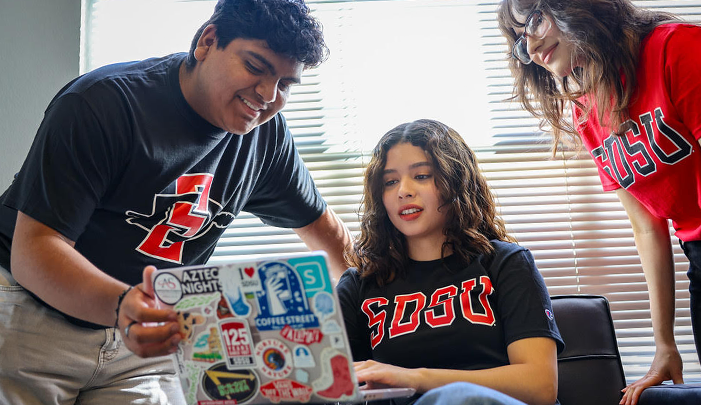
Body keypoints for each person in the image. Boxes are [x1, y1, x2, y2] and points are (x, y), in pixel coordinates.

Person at [0, 0, 351, 403]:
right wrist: (122, 305)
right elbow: (34, 250)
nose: (268, 95)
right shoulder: (103, 104)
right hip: (30, 311)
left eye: (286, 84)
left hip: (148, 339)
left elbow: (325, 232)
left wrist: (371, 305)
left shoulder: (266, 138)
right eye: (255, 67)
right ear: (208, 41)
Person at [496, 1, 701, 404]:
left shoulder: (677, 47)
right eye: (519, 40)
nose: (529, 46)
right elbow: (645, 225)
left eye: (534, 20)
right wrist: (663, 343)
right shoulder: (585, 108)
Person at [336, 119, 564, 405]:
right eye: (390, 181)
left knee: (460, 397)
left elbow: (540, 386)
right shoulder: (359, 284)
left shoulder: (506, 264)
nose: (403, 191)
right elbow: (326, 384)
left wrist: (414, 378)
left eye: (421, 176)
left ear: (455, 182)